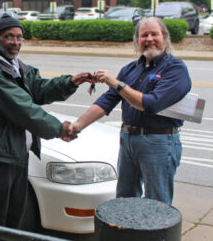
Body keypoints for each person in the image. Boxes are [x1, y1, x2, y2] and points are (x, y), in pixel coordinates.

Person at [0, 13, 92, 229]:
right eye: (8, 37)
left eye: (19, 37)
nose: (15, 42)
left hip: (16, 154)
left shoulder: (16, 67)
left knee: (14, 219)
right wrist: (59, 128)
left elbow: (39, 90)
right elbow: (23, 108)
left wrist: (69, 82)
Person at [64, 17, 192, 205]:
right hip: (128, 139)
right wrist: (77, 126)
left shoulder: (175, 69)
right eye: (144, 35)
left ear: (164, 37)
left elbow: (151, 104)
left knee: (157, 204)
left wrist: (116, 83)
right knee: (124, 199)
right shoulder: (131, 69)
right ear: (137, 40)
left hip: (159, 142)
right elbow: (107, 101)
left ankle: (156, 236)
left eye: (154, 34)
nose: (149, 39)